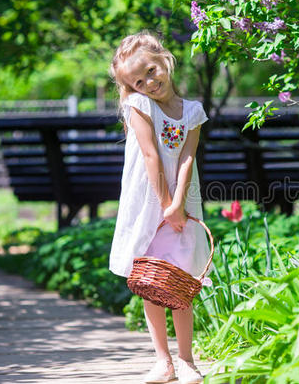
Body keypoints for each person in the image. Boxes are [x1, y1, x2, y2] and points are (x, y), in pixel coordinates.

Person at [108, 30, 212, 384]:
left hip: (180, 205)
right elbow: (151, 156)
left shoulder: (193, 112)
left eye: (151, 71)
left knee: (179, 279)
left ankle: (187, 360)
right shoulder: (139, 106)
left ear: (164, 59)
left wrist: (179, 204)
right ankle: (163, 361)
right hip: (149, 204)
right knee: (150, 280)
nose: (149, 82)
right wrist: (166, 204)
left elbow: (186, 157)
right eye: (138, 81)